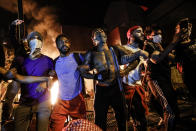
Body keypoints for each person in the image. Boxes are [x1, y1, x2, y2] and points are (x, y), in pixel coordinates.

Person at [78, 28, 148, 131]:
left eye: (102, 34)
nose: (101, 35)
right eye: (97, 35)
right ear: (93, 39)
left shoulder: (115, 49)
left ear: (106, 37)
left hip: (116, 88)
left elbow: (135, 59)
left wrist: (125, 71)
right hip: (102, 90)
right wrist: (95, 76)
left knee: (121, 118)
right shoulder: (91, 53)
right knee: (100, 120)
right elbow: (83, 71)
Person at [12, 31, 55, 131]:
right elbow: (14, 76)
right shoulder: (21, 60)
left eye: (39, 39)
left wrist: (46, 83)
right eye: (32, 39)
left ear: (42, 43)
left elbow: (53, 78)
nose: (36, 41)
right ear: (28, 42)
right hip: (25, 101)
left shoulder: (48, 60)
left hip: (43, 101)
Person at [49, 34, 86, 131]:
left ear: (69, 43)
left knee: (81, 128)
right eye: (60, 42)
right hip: (61, 101)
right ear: (57, 46)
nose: (64, 44)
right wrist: (51, 75)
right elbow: (52, 77)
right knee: (54, 127)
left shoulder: (77, 57)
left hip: (76, 98)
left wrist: (87, 67)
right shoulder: (55, 62)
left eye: (66, 41)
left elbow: (92, 56)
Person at [121, 26, 149, 131]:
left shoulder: (142, 51)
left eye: (142, 32)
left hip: (138, 87)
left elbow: (145, 68)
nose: (142, 34)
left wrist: (143, 81)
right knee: (128, 118)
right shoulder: (123, 49)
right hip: (127, 87)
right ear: (130, 35)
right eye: (139, 32)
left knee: (142, 119)